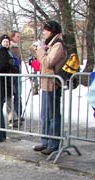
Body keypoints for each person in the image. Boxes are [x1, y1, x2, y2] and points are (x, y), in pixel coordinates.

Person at [33, 20, 67, 155]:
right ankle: (46, 140)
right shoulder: (51, 45)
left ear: (52, 31)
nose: (44, 32)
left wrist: (40, 51)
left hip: (53, 84)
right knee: (45, 114)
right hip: (46, 83)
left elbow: (48, 62)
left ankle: (53, 143)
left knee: (53, 115)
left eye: (46, 30)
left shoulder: (58, 45)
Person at [10, 30, 24, 126]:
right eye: (17, 36)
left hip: (18, 73)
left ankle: (18, 113)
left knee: (18, 95)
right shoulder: (11, 48)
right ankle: (16, 114)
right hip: (13, 75)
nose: (19, 38)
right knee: (13, 95)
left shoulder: (17, 48)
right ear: (13, 37)